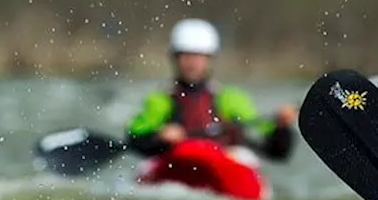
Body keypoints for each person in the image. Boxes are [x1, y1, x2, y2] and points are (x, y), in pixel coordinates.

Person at [125, 19, 296, 161]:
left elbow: (276, 152)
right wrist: (158, 137)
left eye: (198, 56)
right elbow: (134, 139)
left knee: (243, 154)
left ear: (209, 58)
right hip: (176, 162)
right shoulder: (159, 100)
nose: (192, 63)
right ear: (175, 58)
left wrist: (282, 127)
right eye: (185, 55)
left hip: (224, 162)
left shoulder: (231, 98)